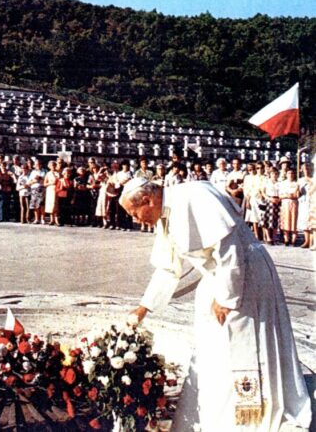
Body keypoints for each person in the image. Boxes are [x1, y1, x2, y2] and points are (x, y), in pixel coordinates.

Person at [120, 178, 311, 432]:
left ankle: (248, 414)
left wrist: (226, 298)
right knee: (214, 349)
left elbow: (230, 250)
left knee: (241, 346)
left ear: (148, 200)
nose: (136, 219)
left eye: (135, 213)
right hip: (219, 278)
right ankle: (218, 415)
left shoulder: (193, 197)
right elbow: (168, 268)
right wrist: (144, 307)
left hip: (244, 276)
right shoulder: (164, 214)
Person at [279, 169, 300, 246]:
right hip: (285, 203)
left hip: (294, 203)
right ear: (286, 174)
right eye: (289, 173)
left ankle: (294, 240)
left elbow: (297, 195)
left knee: (294, 221)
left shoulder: (297, 184)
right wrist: (287, 195)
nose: (290, 174)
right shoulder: (282, 184)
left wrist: (293, 195)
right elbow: (280, 195)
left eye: (292, 173)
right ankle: (286, 239)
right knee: (285, 221)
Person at [260, 167, 281, 245]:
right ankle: (268, 237)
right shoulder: (266, 182)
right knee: (266, 220)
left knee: (275, 219)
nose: (274, 175)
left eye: (276, 173)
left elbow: (282, 192)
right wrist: (269, 198)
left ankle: (274, 237)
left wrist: (279, 199)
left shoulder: (280, 183)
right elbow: (262, 192)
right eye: (272, 173)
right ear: (270, 174)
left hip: (277, 201)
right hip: (268, 201)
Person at [297, 163, 312, 248]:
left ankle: (312, 241)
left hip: (312, 201)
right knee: (305, 220)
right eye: (304, 168)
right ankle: (307, 241)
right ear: (302, 170)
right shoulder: (300, 180)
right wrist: (298, 189)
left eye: (308, 168)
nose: (306, 170)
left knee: (312, 221)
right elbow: (297, 194)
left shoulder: (314, 178)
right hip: (303, 202)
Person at [44, 161, 60, 226]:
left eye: (54, 165)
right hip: (50, 189)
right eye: (51, 165)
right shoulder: (48, 174)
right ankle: (51, 220)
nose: (53, 166)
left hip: (56, 189)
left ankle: (56, 220)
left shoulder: (58, 173)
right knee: (50, 205)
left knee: (56, 204)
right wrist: (51, 183)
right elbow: (44, 184)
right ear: (49, 166)